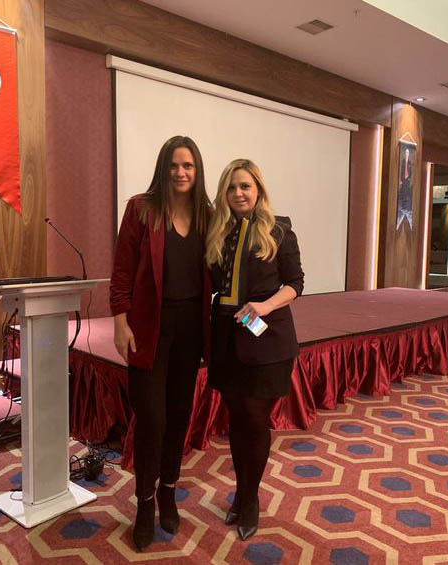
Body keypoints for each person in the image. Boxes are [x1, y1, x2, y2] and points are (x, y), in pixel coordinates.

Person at [110, 136, 212, 550]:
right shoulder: (141, 209)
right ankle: (144, 503)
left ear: (197, 170)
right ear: (163, 168)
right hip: (149, 327)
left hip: (191, 330)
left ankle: (168, 491)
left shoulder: (207, 215)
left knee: (179, 415)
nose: (181, 172)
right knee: (151, 418)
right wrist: (120, 322)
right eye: (174, 165)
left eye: (188, 166)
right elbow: (121, 270)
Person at [205, 159, 304, 541]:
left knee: (255, 417)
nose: (238, 193)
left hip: (267, 339)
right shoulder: (219, 233)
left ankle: (249, 500)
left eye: (245, 186)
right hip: (227, 339)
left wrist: (263, 306)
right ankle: (241, 493)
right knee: (236, 418)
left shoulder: (279, 230)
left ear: (258, 189)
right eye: (231, 188)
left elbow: (295, 284)